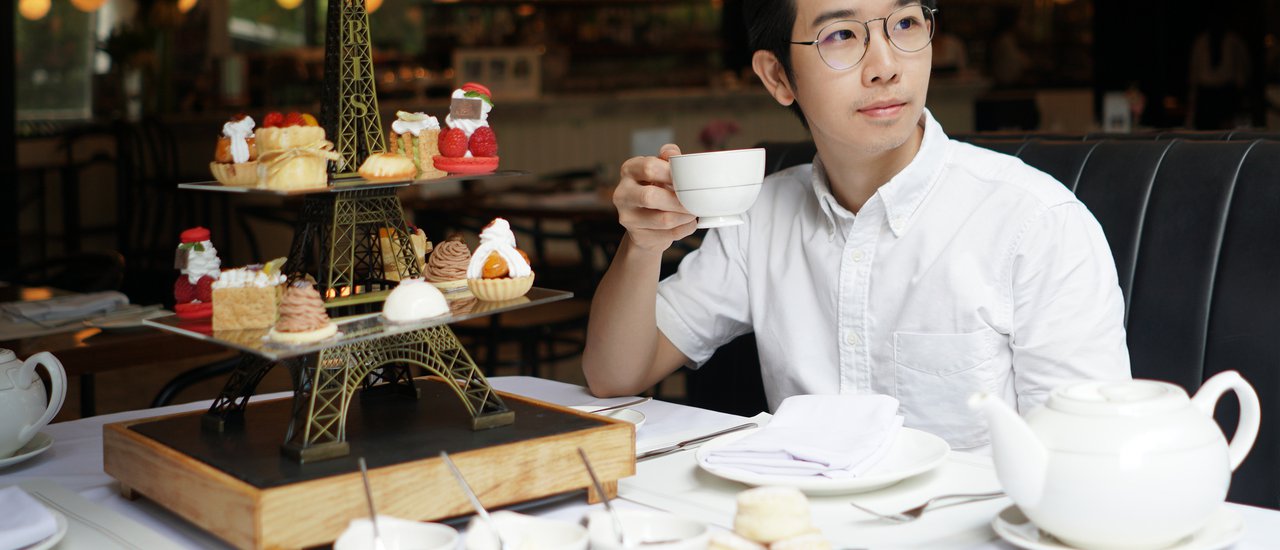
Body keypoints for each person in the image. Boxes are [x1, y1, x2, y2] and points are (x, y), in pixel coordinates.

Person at [582, 0, 1130, 451]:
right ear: (778, 77)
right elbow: (614, 375)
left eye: (907, 24)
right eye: (841, 35)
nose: (886, 65)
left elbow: (1093, 456)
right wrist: (643, 243)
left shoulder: (1035, 224)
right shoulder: (760, 219)